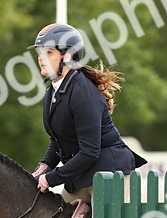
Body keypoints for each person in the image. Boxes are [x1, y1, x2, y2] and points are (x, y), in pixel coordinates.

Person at [29, 23, 147, 203]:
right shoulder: (52, 91)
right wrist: (44, 167)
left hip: (110, 175)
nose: (40, 58)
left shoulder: (82, 92)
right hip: (81, 177)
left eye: (48, 52)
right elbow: (57, 140)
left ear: (67, 56)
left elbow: (90, 152)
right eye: (39, 53)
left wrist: (50, 178)